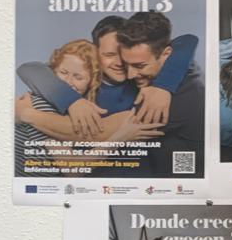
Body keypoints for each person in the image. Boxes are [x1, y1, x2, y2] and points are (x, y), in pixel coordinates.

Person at [16, 15, 200, 139]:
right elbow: (30, 68)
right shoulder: (83, 76)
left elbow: (187, 41)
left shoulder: (144, 81)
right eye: (110, 55)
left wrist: (163, 86)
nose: (121, 64)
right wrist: (72, 100)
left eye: (124, 55)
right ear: (95, 52)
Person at [14, 38, 161, 174]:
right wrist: (121, 138)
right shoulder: (39, 105)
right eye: (63, 73)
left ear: (92, 82)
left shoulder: (65, 110)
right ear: (52, 72)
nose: (68, 82)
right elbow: (72, 169)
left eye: (78, 77)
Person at [114, 10, 205, 177]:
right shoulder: (181, 66)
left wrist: (48, 118)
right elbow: (185, 40)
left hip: (181, 185)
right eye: (126, 65)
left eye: (140, 66)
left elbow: (93, 131)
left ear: (166, 54)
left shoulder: (184, 94)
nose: (130, 75)